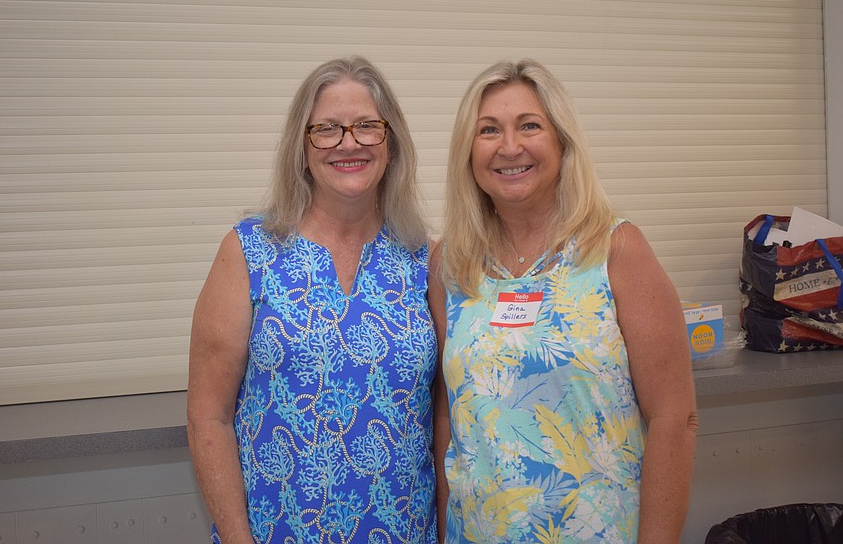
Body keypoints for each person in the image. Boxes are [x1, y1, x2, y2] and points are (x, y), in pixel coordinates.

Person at [429, 59, 697, 543]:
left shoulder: (616, 250)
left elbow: (674, 418)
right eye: (489, 130)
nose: (510, 147)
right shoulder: (452, 264)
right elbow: (450, 412)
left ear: (562, 142)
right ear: (467, 152)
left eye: (529, 125)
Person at [187, 56, 438, 544]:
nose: (349, 142)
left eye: (367, 126)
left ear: (392, 143)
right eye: (326, 129)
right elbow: (208, 417)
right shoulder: (249, 252)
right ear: (301, 149)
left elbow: (447, 415)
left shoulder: (426, 262)